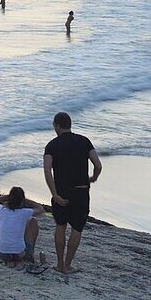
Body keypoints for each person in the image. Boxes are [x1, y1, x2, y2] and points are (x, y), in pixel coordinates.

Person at [43, 111, 101, 274]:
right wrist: (92, 178)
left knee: (60, 227)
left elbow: (47, 170)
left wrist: (54, 194)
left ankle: (59, 264)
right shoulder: (84, 141)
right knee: (77, 229)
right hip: (81, 193)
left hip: (61, 192)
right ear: (69, 125)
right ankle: (68, 265)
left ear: (57, 126)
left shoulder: (52, 145)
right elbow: (98, 165)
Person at [0, 187, 44, 267]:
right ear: (22, 201)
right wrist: (25, 200)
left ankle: (9, 259)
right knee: (33, 221)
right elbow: (40, 209)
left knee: (23, 224)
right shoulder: (24, 212)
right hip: (19, 254)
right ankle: (30, 253)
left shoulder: (1, 210)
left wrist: (7, 197)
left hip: (3, 254)